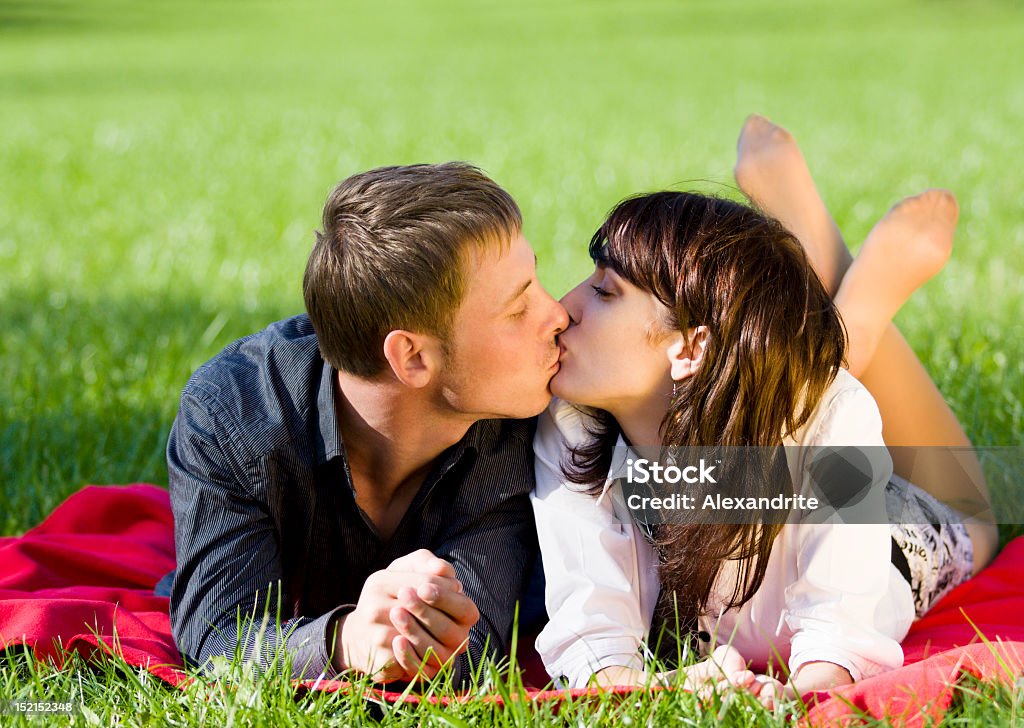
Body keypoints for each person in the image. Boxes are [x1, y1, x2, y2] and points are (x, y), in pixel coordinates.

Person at [531, 116, 999, 703]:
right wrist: (669, 689)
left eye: (604, 292)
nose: (561, 306)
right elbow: (589, 636)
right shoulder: (572, 422)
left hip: (888, 538)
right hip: (748, 421)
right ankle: (804, 260)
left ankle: (862, 291)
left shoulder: (831, 415)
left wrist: (799, 693)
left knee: (974, 516)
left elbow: (843, 626)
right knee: (794, 392)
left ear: (691, 347)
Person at [166, 162, 569, 684]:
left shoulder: (511, 418)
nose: (557, 313)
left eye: (537, 279)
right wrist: (342, 642)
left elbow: (471, 642)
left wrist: (414, 628)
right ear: (412, 357)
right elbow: (218, 634)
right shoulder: (232, 416)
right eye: (518, 309)